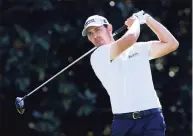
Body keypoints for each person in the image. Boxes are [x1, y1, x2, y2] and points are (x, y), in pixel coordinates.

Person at [81, 10, 179, 136]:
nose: (95, 36)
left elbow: (172, 44)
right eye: (90, 33)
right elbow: (131, 38)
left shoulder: (138, 48)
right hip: (123, 122)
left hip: (152, 118)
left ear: (109, 28)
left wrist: (148, 19)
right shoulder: (97, 56)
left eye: (98, 30)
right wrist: (136, 22)